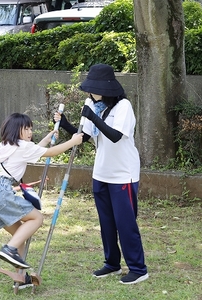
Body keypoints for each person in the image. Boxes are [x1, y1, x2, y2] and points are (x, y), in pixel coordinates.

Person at [54, 63, 149, 285]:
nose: (89, 93)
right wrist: (65, 122)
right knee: (106, 223)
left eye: (93, 90)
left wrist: (93, 117)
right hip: (101, 173)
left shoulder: (123, 106)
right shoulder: (92, 104)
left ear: (106, 89)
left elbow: (115, 135)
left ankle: (138, 268)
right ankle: (112, 263)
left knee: (125, 223)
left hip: (123, 174)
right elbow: (84, 136)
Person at [0, 112, 83, 288]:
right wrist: (72, 142)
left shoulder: (5, 145)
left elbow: (34, 150)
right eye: (26, 128)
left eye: (31, 128)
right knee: (37, 218)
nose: (30, 132)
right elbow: (49, 152)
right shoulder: (23, 147)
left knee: (20, 233)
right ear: (16, 130)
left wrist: (47, 137)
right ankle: (9, 249)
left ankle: (20, 278)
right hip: (2, 192)